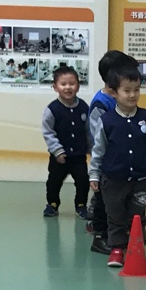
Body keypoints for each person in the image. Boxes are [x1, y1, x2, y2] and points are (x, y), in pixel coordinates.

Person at [88, 61, 146, 269]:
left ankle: (136, 246)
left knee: (137, 215)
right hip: (113, 180)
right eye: (127, 90)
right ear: (114, 93)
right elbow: (98, 150)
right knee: (115, 216)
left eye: (137, 90)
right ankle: (117, 248)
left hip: (140, 179)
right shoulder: (107, 120)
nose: (132, 95)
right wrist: (94, 174)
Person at [85, 50, 135, 252]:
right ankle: (99, 235)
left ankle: (117, 229)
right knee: (103, 199)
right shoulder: (101, 103)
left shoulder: (120, 97)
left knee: (116, 197)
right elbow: (99, 136)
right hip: (106, 160)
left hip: (119, 159)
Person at [41, 64, 90, 219]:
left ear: (78, 86)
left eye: (72, 83)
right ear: (55, 87)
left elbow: (89, 130)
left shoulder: (84, 107)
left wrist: (92, 149)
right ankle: (52, 204)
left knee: (83, 181)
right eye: (63, 84)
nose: (68, 87)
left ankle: (81, 205)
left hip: (79, 156)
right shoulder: (52, 109)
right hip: (59, 157)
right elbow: (48, 132)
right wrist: (57, 151)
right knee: (54, 182)